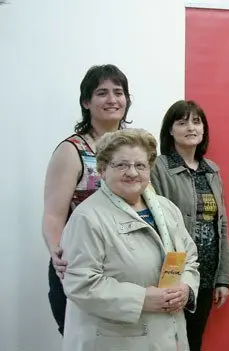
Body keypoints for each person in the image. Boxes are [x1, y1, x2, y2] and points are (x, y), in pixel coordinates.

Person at [60, 128, 200, 351]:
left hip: (167, 336)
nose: (132, 172)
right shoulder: (87, 218)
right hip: (113, 341)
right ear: (103, 169)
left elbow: (190, 258)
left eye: (140, 165)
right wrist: (141, 298)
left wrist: (186, 288)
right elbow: (80, 283)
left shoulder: (167, 209)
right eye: (121, 165)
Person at [41, 64, 132, 335]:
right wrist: (57, 253)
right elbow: (53, 214)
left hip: (123, 268)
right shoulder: (72, 151)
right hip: (80, 267)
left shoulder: (134, 149)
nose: (112, 99)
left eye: (119, 92)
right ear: (86, 102)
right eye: (102, 93)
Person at [151, 100, 229, 351]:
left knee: (194, 340)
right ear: (170, 130)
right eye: (182, 121)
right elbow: (155, 220)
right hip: (174, 270)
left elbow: (222, 225)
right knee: (168, 340)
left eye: (197, 122)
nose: (191, 127)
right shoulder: (159, 167)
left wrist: (223, 278)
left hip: (207, 271)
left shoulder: (212, 170)